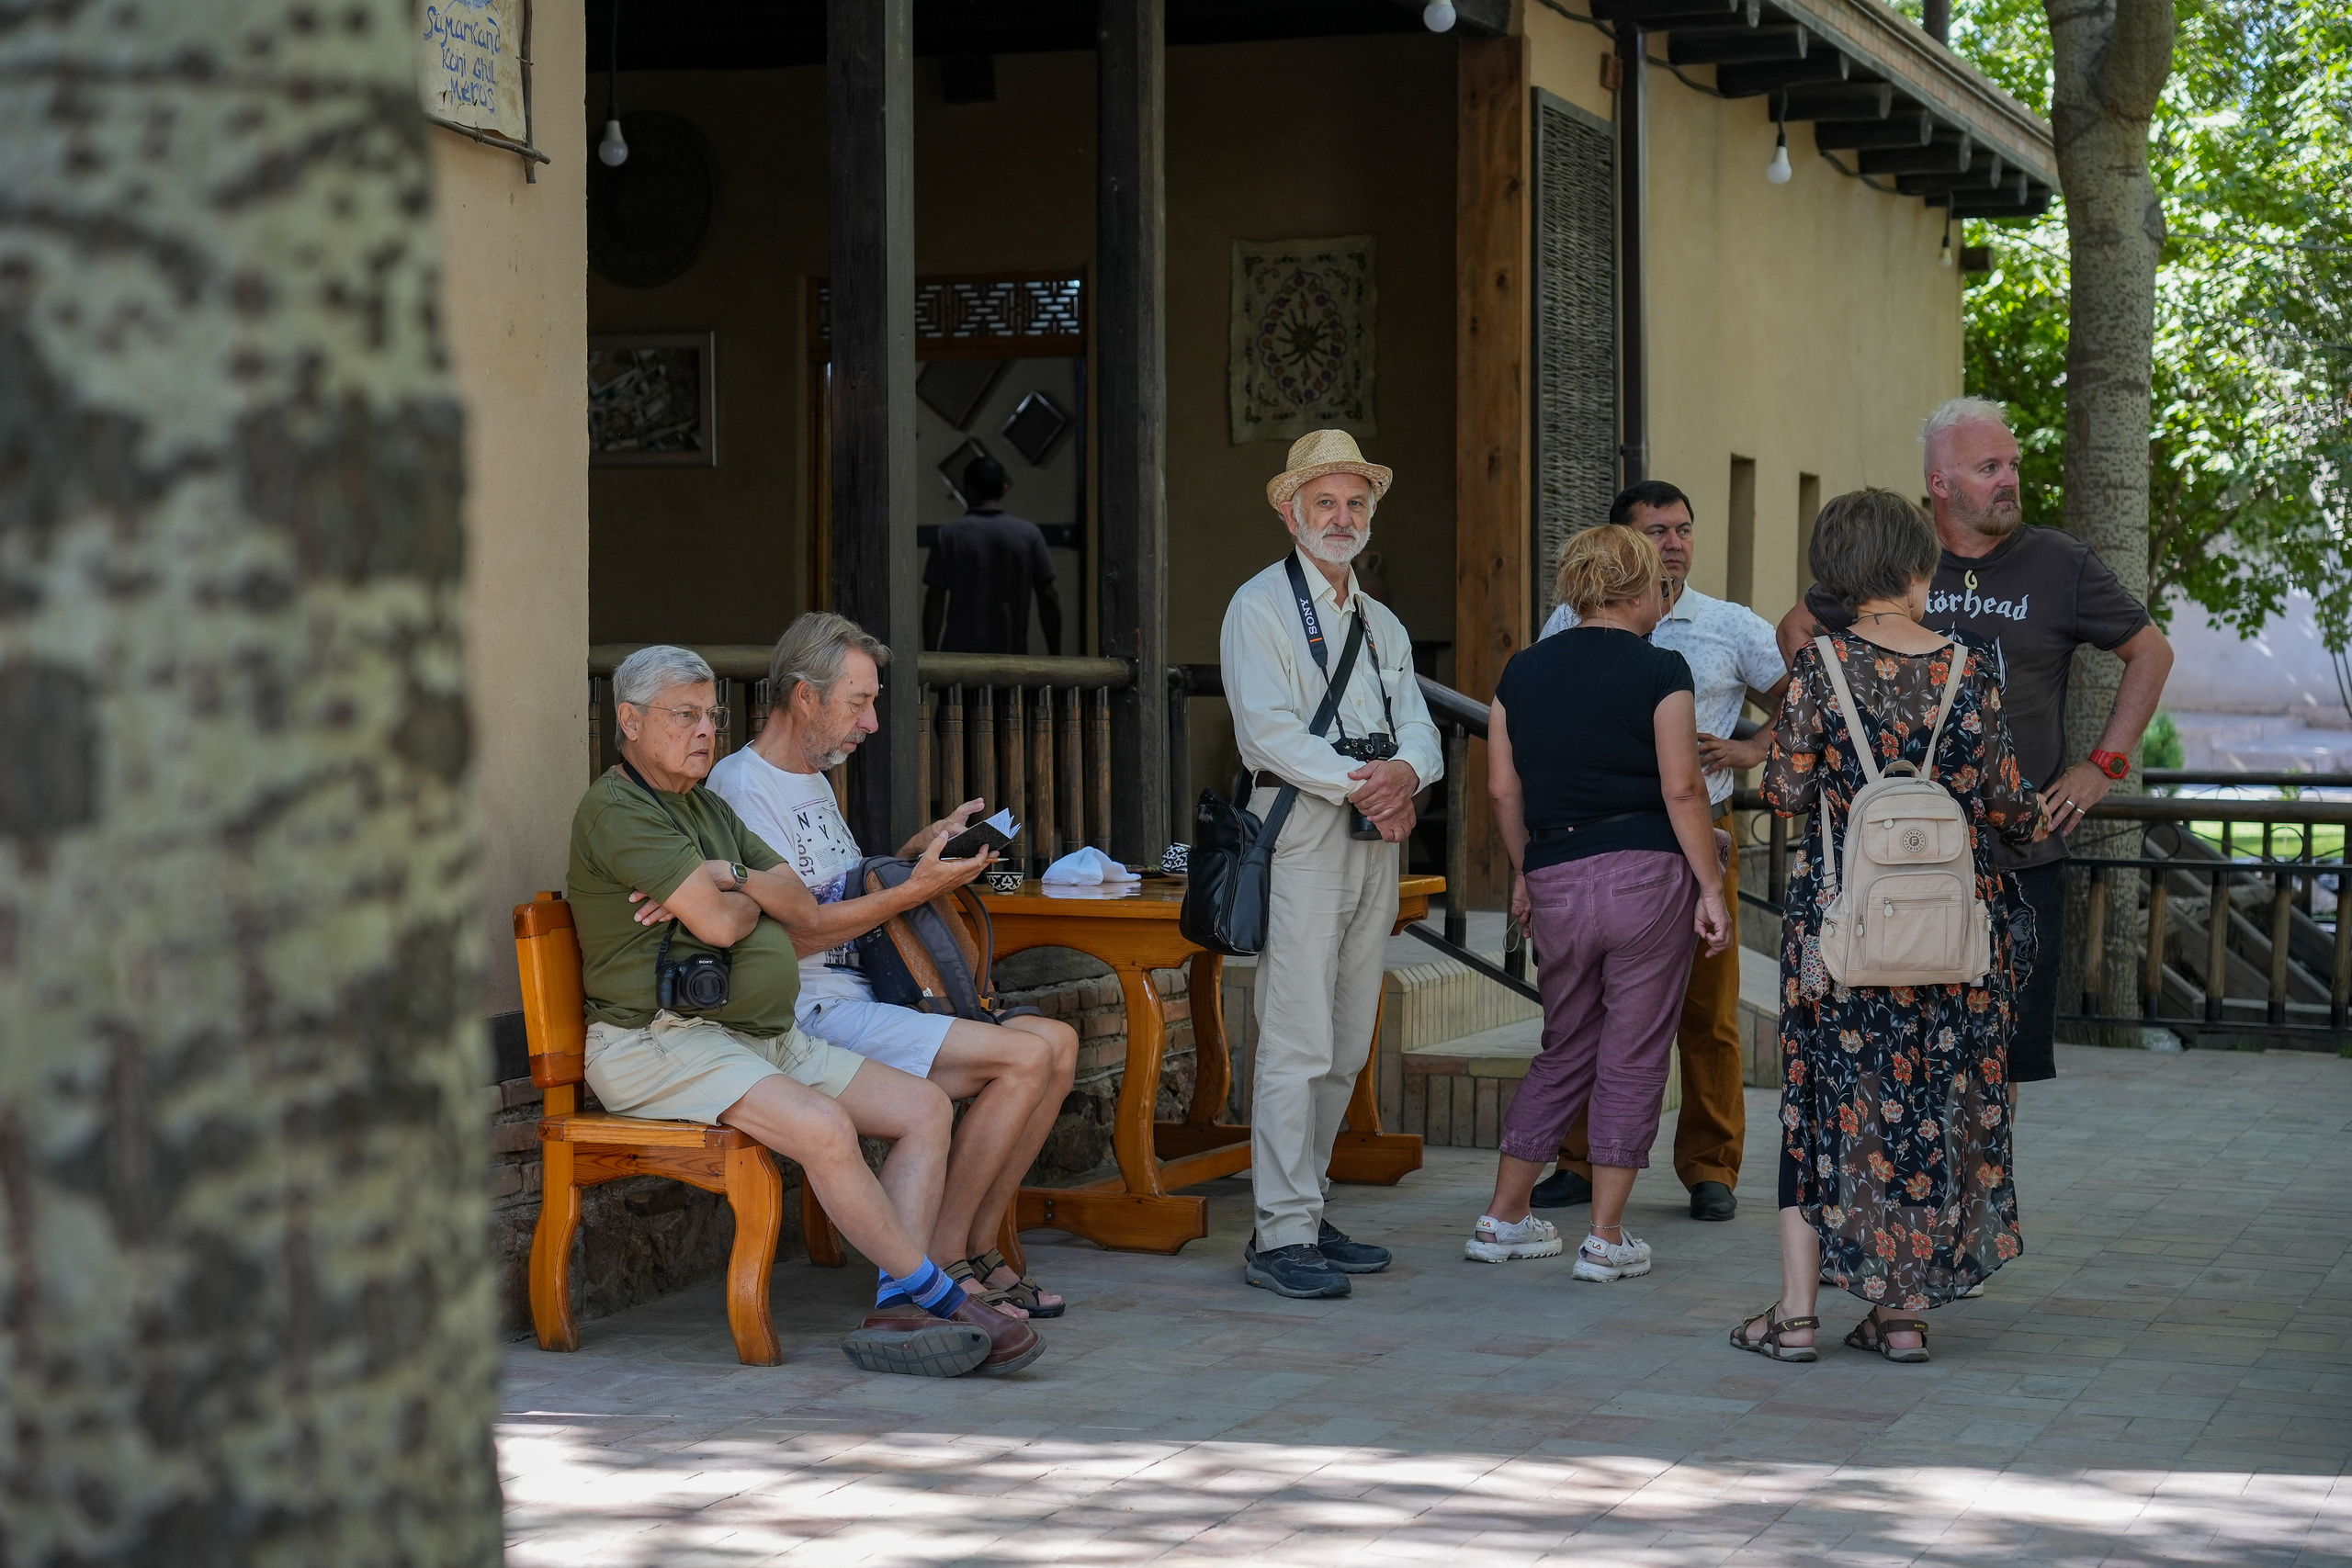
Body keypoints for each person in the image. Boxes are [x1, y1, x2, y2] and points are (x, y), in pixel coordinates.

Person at [567, 645, 1043, 1377]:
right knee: (823, 1128)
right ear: (629, 721)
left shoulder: (708, 810)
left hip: (754, 1036)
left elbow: (796, 900)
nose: (705, 730)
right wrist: (742, 896)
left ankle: (895, 1305)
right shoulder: (619, 809)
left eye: (712, 714)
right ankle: (943, 1297)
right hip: (657, 1041)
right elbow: (729, 928)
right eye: (684, 715)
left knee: (923, 1108)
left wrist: (725, 875)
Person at [1776, 399, 2173, 1092]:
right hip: (1887, 859)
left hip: (2015, 856)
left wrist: (2103, 764)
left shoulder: (2060, 562)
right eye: (1989, 467)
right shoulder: (1890, 562)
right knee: (1888, 1056)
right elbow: (1796, 631)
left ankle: (1981, 1194)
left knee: (1997, 1066)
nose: (2009, 479)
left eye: (2012, 465)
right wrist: (1842, 762)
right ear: (1940, 482)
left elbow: (2152, 651)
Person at [1734, 490, 2046, 1364]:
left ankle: (1797, 1316)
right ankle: (1901, 1316)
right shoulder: (1969, 669)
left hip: (1842, 930)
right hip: (1951, 934)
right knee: (1926, 1106)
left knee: (1825, 1109)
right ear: (1920, 566)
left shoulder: (1819, 668)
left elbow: (1785, 792)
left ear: (1834, 573)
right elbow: (2008, 804)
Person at [709, 614, 1080, 1318]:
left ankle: (973, 1247)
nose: (872, 722)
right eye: (859, 702)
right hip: (805, 1013)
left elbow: (841, 890)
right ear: (804, 698)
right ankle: (940, 1265)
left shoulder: (811, 779)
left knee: (1056, 1045)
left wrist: (921, 853)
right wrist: (915, 890)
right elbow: (779, 941)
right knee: (1024, 1059)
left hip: (857, 998)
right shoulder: (744, 788)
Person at [1467, 525, 1734, 1279]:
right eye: (1661, 587)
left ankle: (1502, 1219)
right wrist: (1710, 888)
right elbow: (1683, 787)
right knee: (1633, 1051)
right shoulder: (1661, 669)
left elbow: (1500, 787)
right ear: (1641, 588)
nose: (1664, 599)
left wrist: (1527, 870)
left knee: (1565, 1045)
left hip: (1555, 870)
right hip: (1647, 874)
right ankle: (1606, 1238)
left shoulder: (1520, 672)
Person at [1219, 429, 1444, 1300]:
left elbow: (1418, 722)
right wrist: (1370, 784)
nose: (1341, 518)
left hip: (1370, 829)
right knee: (1298, 1033)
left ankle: (1305, 1207)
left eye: (1355, 503)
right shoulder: (1260, 607)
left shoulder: (1379, 620)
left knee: (1349, 1035)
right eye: (1325, 503)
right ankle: (1277, 1232)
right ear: (1290, 511)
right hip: (1301, 827)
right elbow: (1264, 732)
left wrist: (1405, 775)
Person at [1531, 480, 1787, 1223]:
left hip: (1699, 834)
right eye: (1657, 530)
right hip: (1596, 835)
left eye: (1683, 528)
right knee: (1589, 1010)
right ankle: (1576, 1160)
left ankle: (1712, 1166)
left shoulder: (1726, 624)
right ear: (1622, 541)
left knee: (1707, 1014)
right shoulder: (1568, 620)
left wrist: (1748, 750)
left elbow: (1805, 700)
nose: (1673, 543)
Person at [923, 454, 1063, 655]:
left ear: (968, 488)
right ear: (1004, 489)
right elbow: (1048, 596)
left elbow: (934, 600)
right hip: (1013, 658)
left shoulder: (949, 535)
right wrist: (1055, 654)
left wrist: (931, 654)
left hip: (959, 661)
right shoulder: (1028, 534)